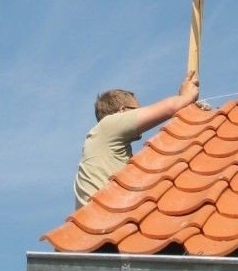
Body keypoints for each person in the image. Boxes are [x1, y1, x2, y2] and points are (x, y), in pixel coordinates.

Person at [73, 70, 200, 207]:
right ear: (122, 111)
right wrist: (186, 97)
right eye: (136, 109)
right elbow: (170, 107)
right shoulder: (109, 124)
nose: (141, 113)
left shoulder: (106, 143)